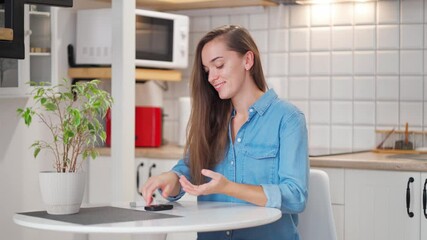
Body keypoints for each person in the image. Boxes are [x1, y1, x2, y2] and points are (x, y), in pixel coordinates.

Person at [141, 25, 309, 240]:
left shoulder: (287, 118)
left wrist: (229, 188)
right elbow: (189, 169)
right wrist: (172, 178)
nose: (212, 77)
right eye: (207, 70)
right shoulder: (212, 120)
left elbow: (295, 197)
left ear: (248, 60)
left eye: (219, 65)